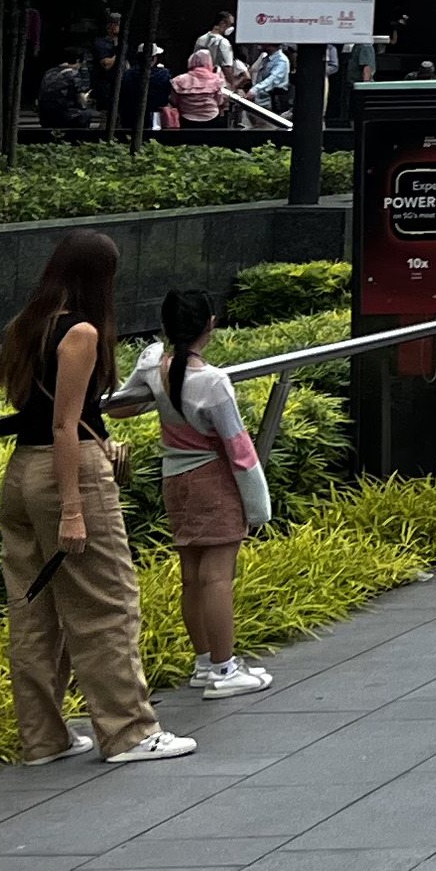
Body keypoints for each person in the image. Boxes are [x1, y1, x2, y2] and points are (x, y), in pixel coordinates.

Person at [0, 229, 190, 767]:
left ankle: (43, 738)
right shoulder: (80, 331)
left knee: (34, 610)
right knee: (107, 605)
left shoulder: (27, 324)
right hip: (67, 472)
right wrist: (75, 508)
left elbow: (40, 413)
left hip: (21, 472)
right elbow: (64, 425)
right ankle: (129, 732)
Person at [128, 287, 274, 699]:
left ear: (164, 327)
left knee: (192, 578)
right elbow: (240, 450)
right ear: (210, 325)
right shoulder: (212, 382)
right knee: (217, 578)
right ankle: (225, 669)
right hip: (212, 481)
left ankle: (205, 663)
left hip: (174, 480)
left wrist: (145, 361)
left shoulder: (157, 369)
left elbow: (120, 405)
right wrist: (257, 505)